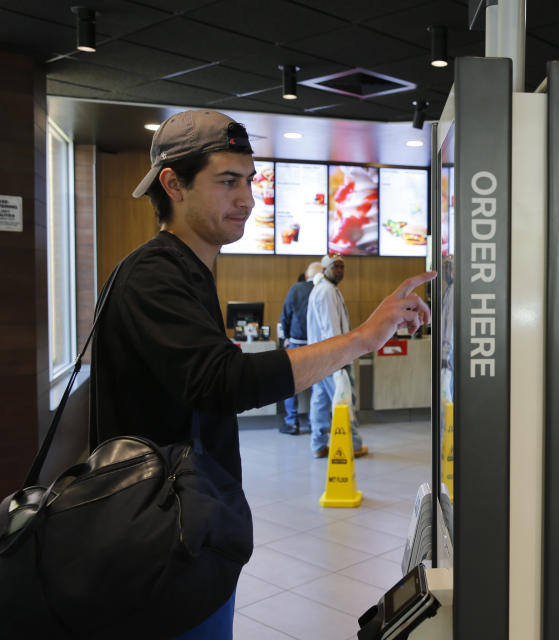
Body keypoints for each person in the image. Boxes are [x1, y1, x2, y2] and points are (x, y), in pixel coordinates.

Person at [89, 109, 433, 637]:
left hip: (190, 532)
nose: (247, 199)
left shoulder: (188, 272)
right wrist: (363, 338)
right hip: (161, 550)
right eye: (227, 181)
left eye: (249, 181)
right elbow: (223, 382)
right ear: (173, 184)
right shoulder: (154, 274)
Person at [306, 254, 366, 458]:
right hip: (333, 359)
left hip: (320, 359)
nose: (340, 270)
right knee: (344, 401)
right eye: (336, 267)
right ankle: (353, 445)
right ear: (325, 269)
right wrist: (339, 360)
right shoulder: (327, 291)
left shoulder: (324, 289)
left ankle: (318, 445)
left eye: (342, 267)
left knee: (321, 402)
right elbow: (331, 328)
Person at [278, 261, 324, 434]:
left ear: (306, 276)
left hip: (296, 342)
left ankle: (292, 422)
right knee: (317, 387)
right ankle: (315, 423)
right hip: (318, 344)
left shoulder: (296, 289)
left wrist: (287, 337)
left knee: (291, 384)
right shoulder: (325, 290)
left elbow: (286, 315)